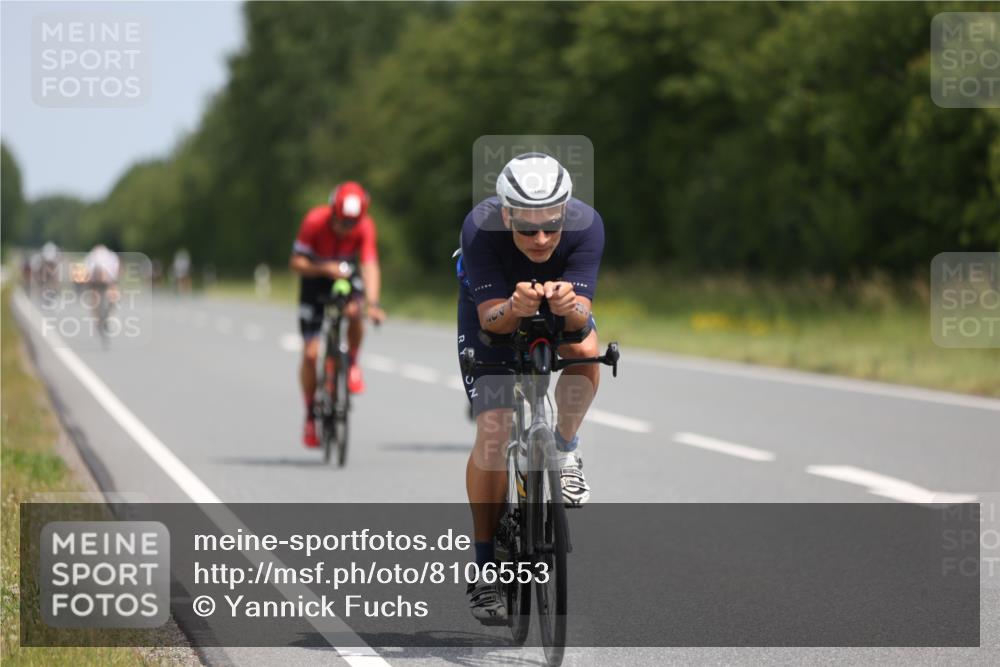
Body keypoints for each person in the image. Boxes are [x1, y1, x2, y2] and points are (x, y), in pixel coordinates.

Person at [456, 153, 605, 622]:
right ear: (506, 216)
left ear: (566, 213)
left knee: (588, 351)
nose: (540, 239)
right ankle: (485, 568)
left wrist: (570, 306)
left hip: (556, 309)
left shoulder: (587, 226)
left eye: (551, 227)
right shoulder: (479, 229)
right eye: (526, 229)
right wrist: (515, 308)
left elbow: (581, 319)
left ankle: (565, 448)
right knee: (494, 430)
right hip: (493, 315)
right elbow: (491, 320)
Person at [290, 181, 386, 448]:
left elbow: (369, 264)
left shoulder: (365, 226)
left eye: (352, 223)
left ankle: (351, 363)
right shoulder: (314, 221)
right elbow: (296, 262)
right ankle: (311, 414)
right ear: (332, 211)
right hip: (315, 278)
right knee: (311, 354)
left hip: (344, 276)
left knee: (356, 311)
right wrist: (324, 268)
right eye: (341, 222)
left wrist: (373, 303)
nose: (346, 228)